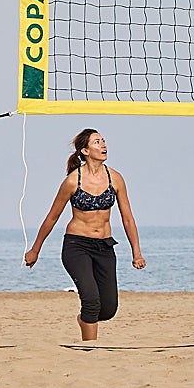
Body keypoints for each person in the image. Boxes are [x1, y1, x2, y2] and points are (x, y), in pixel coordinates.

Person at [23, 129, 145, 341]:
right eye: (97, 142)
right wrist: (35, 250)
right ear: (86, 150)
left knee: (108, 309)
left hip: (105, 247)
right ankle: (90, 350)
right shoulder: (72, 181)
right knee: (91, 300)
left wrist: (137, 253)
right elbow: (52, 217)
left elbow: (128, 218)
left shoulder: (115, 178)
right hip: (76, 246)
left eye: (104, 141)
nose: (103, 145)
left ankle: (84, 320)